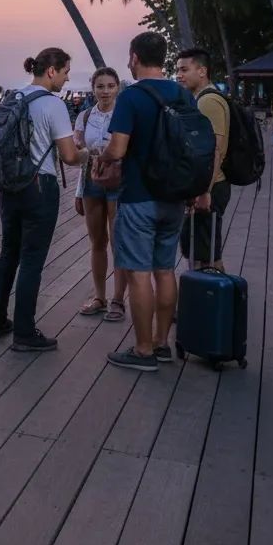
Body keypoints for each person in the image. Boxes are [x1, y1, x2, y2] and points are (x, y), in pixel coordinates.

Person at [96, 31, 192, 371]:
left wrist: (102, 156)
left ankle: (142, 350)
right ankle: (163, 344)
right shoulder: (183, 94)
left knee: (138, 273)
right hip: (175, 196)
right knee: (165, 270)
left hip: (139, 197)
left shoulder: (132, 97)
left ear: (135, 57)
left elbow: (118, 148)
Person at [0, 48, 84, 351]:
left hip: (11, 185)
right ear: (52, 71)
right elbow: (68, 156)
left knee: (8, 253)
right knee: (32, 260)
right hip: (40, 185)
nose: (67, 78)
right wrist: (89, 154)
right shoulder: (52, 105)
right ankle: (25, 333)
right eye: (66, 71)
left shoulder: (14, 97)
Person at [74, 67, 127, 320]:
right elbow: (80, 157)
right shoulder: (84, 117)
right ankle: (99, 296)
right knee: (97, 242)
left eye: (110, 86)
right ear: (93, 88)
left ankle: (118, 300)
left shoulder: (125, 115)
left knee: (119, 243)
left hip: (119, 180)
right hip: (91, 182)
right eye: (100, 86)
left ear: (118, 87)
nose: (105, 91)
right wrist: (78, 190)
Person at [176, 49, 231, 271]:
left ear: (202, 71)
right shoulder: (201, 99)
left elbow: (215, 149)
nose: (178, 75)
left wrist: (204, 191)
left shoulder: (208, 102)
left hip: (211, 186)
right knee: (199, 251)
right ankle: (206, 302)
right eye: (177, 70)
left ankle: (219, 303)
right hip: (207, 185)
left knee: (208, 254)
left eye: (184, 69)